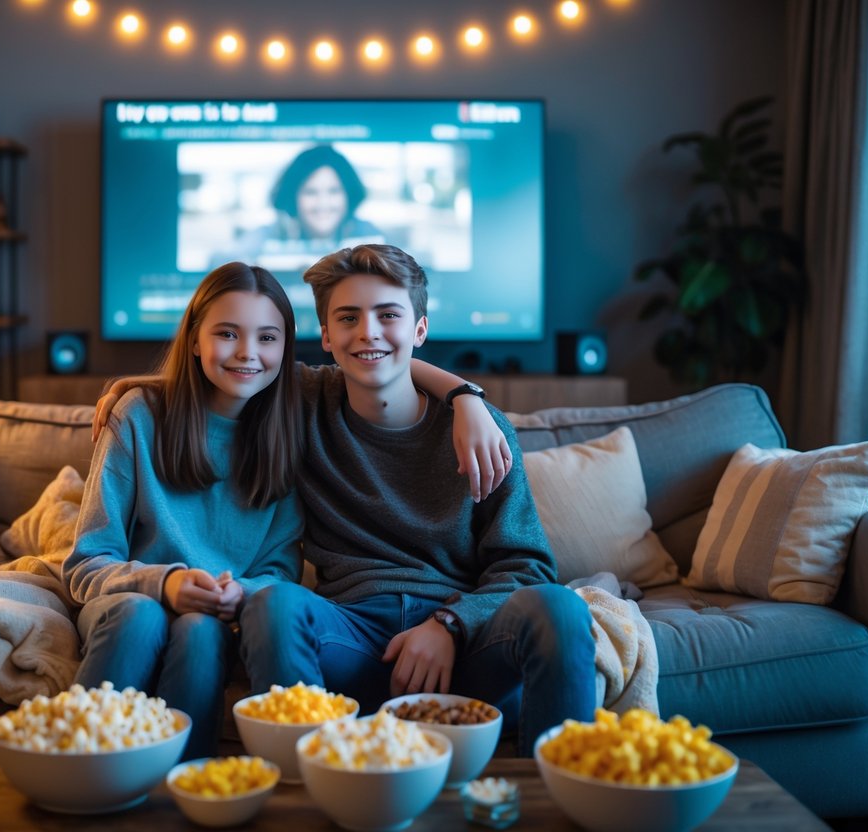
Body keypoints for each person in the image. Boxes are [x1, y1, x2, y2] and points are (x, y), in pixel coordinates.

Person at [236, 244, 597, 756]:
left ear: (420, 331)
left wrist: (450, 625)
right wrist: (131, 390)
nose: (368, 332)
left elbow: (527, 567)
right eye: (348, 318)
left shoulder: (481, 433)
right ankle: (303, 794)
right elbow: (219, 371)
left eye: (389, 316)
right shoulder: (303, 400)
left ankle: (561, 798)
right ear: (327, 336)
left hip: (465, 647)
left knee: (559, 607)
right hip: (354, 641)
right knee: (272, 602)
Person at [63, 261, 305, 760]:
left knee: (199, 631)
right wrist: (165, 583)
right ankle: (78, 771)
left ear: (285, 347)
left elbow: (281, 571)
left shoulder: (288, 438)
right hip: (127, 602)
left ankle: (185, 792)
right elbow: (86, 564)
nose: (248, 353)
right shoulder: (138, 419)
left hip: (221, 617)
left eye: (267, 338)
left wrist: (241, 592)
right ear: (195, 339)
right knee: (139, 616)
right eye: (227, 334)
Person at [217, 144, 387, 270]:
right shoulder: (268, 236)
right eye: (311, 192)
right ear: (293, 197)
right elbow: (222, 262)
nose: (323, 203)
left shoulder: (368, 234)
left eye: (333, 191)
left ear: (348, 195)